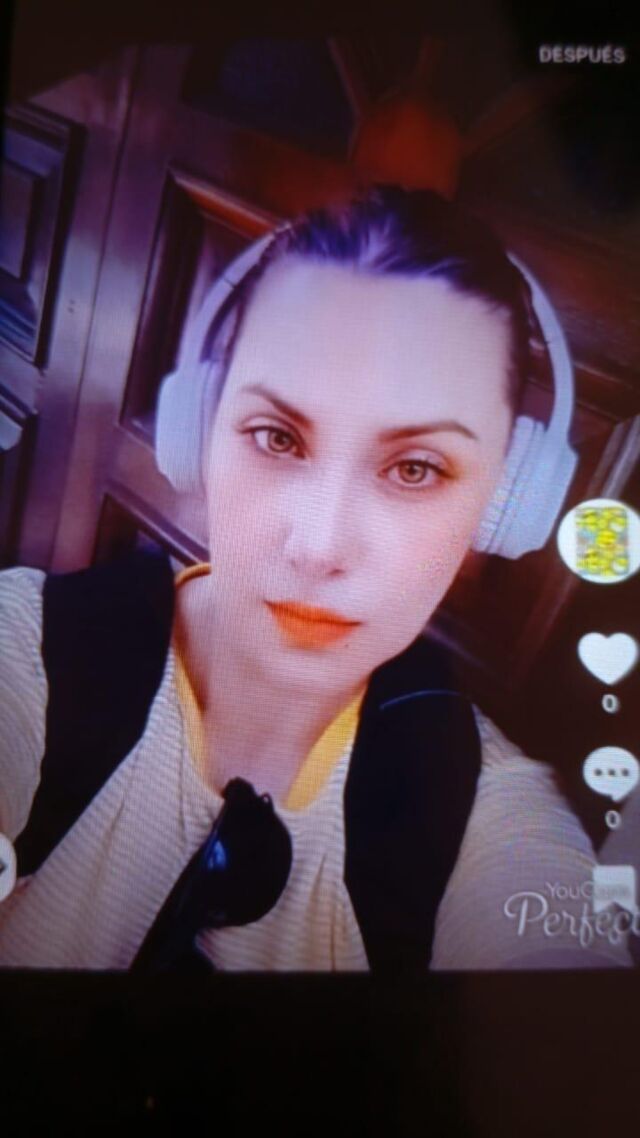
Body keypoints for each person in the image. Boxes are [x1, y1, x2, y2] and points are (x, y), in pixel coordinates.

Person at [0, 187, 633, 971]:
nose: (319, 548)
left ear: (505, 506)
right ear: (198, 432)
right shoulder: (27, 649)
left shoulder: (485, 813)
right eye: (276, 437)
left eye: (415, 467)